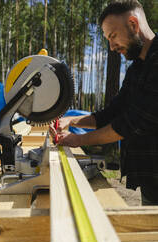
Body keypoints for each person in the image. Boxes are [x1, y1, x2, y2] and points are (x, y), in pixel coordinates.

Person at [49, 0, 158, 205]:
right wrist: (70, 122)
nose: (111, 46)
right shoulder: (137, 68)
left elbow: (132, 123)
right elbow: (112, 113)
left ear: (133, 24)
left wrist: (79, 140)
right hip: (151, 178)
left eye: (113, 36)